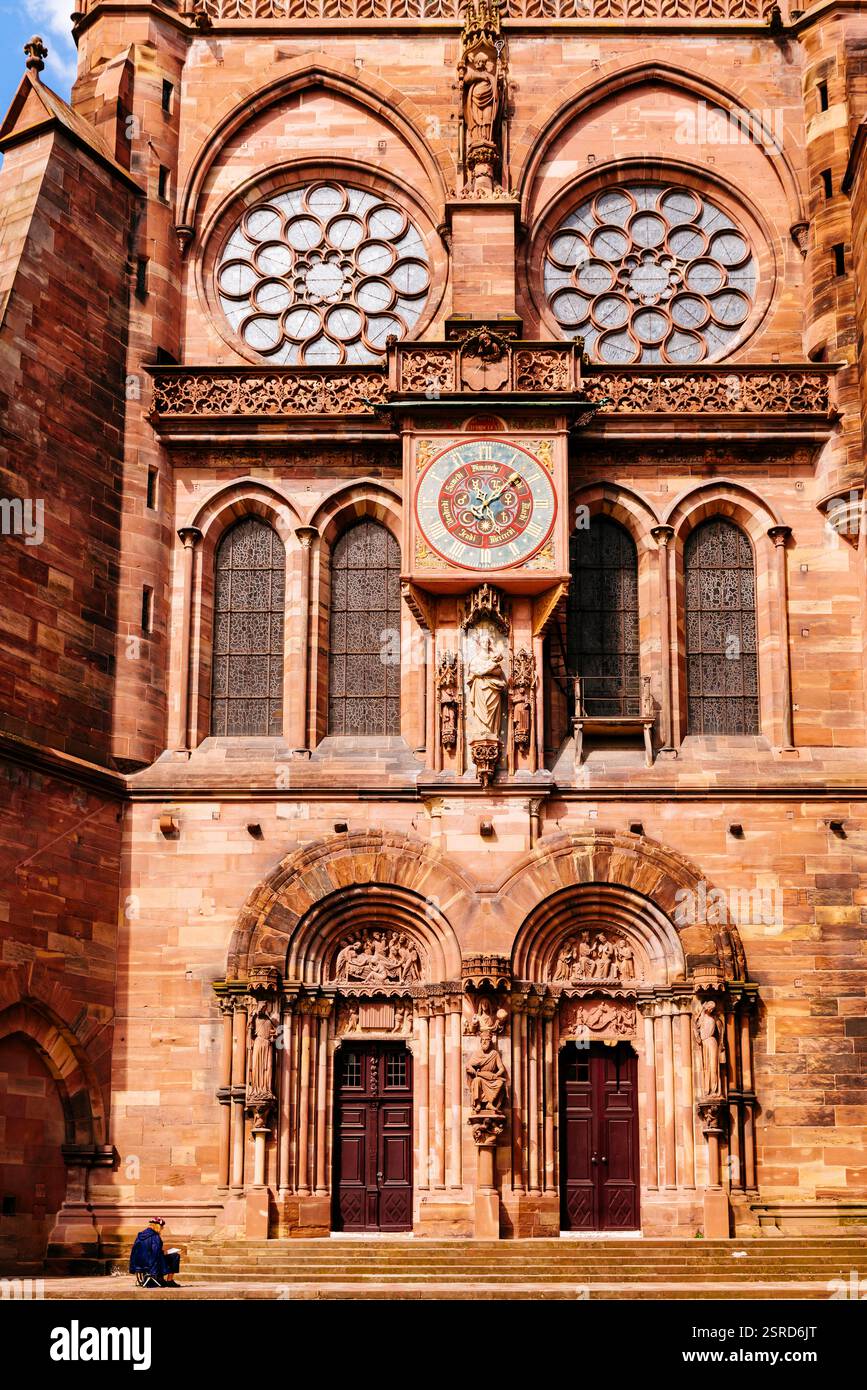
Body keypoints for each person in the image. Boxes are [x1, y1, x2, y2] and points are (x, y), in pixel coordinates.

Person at [129, 1216, 181, 1289]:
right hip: (151, 1264)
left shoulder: (140, 1235)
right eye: (162, 1227)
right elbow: (156, 1253)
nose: (162, 1229)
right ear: (158, 1226)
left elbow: (136, 1251)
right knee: (175, 1256)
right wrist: (165, 1252)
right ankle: (169, 1280)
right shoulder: (155, 1236)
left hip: (139, 1265)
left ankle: (160, 1279)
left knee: (162, 1258)